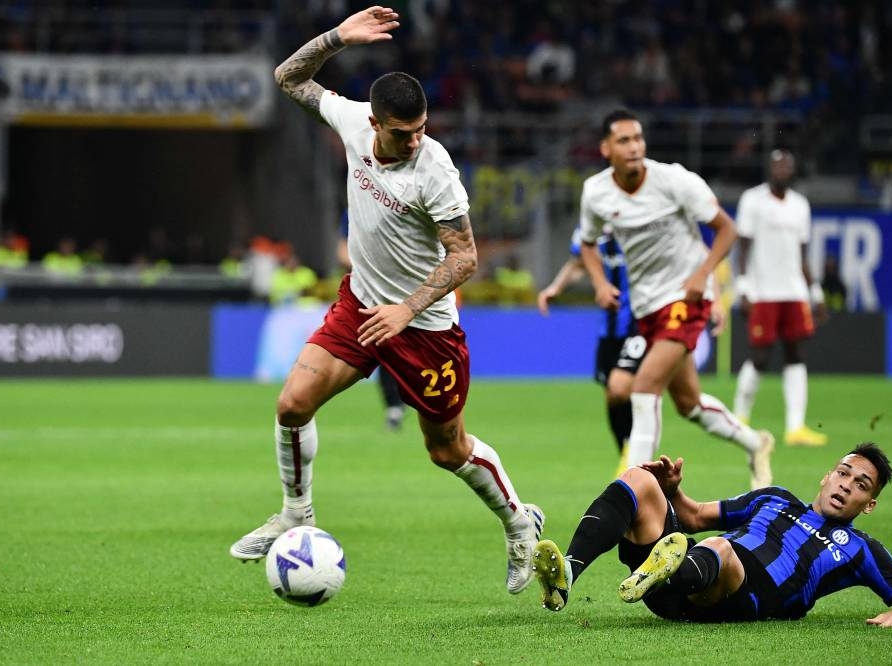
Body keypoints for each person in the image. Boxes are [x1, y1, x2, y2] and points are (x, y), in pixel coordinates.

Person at [229, 6, 544, 595]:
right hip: (361, 305)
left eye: (422, 128)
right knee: (293, 404)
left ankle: (519, 523)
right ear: (374, 122)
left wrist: (407, 308)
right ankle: (296, 514)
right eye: (403, 132)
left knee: (447, 451)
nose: (416, 139)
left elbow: (466, 257)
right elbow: (288, 79)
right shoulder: (351, 122)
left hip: (424, 328)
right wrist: (337, 39)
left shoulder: (437, 171)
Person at [532, 443, 892, 627]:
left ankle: (664, 572)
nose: (847, 485)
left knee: (722, 548)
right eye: (844, 473)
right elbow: (691, 516)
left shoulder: (860, 548)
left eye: (862, 485)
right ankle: (569, 571)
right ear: (827, 475)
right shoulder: (774, 498)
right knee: (639, 480)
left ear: (869, 504)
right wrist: (672, 490)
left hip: (747, 594)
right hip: (694, 568)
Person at [578, 109, 774, 490]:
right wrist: (600, 283)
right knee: (690, 404)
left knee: (642, 386)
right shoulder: (596, 192)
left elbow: (726, 229)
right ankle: (756, 442)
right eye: (624, 140)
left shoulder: (675, 180)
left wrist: (703, 277)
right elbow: (587, 243)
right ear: (606, 149)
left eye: (638, 138)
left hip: (685, 298)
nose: (634, 147)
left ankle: (634, 490)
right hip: (647, 309)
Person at [732, 149, 828, 447]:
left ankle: (795, 427)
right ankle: (738, 417)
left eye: (788, 166)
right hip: (763, 292)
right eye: (778, 166)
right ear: (768, 170)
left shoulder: (801, 205)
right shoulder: (753, 200)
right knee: (760, 356)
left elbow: (802, 254)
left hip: (794, 291)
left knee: (796, 354)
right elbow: (743, 249)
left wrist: (815, 292)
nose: (783, 170)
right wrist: (743, 288)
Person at [538, 225, 638, 470]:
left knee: (620, 388)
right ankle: (628, 457)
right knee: (612, 397)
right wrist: (556, 288)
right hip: (609, 327)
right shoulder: (590, 227)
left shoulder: (638, 219)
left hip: (640, 322)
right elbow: (578, 263)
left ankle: (634, 459)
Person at [336, 210, 406, 431]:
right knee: (384, 347)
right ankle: (393, 407)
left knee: (405, 353)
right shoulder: (357, 207)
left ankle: (412, 401)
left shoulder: (404, 204)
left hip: (406, 293)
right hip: (370, 294)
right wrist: (365, 267)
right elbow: (341, 251)